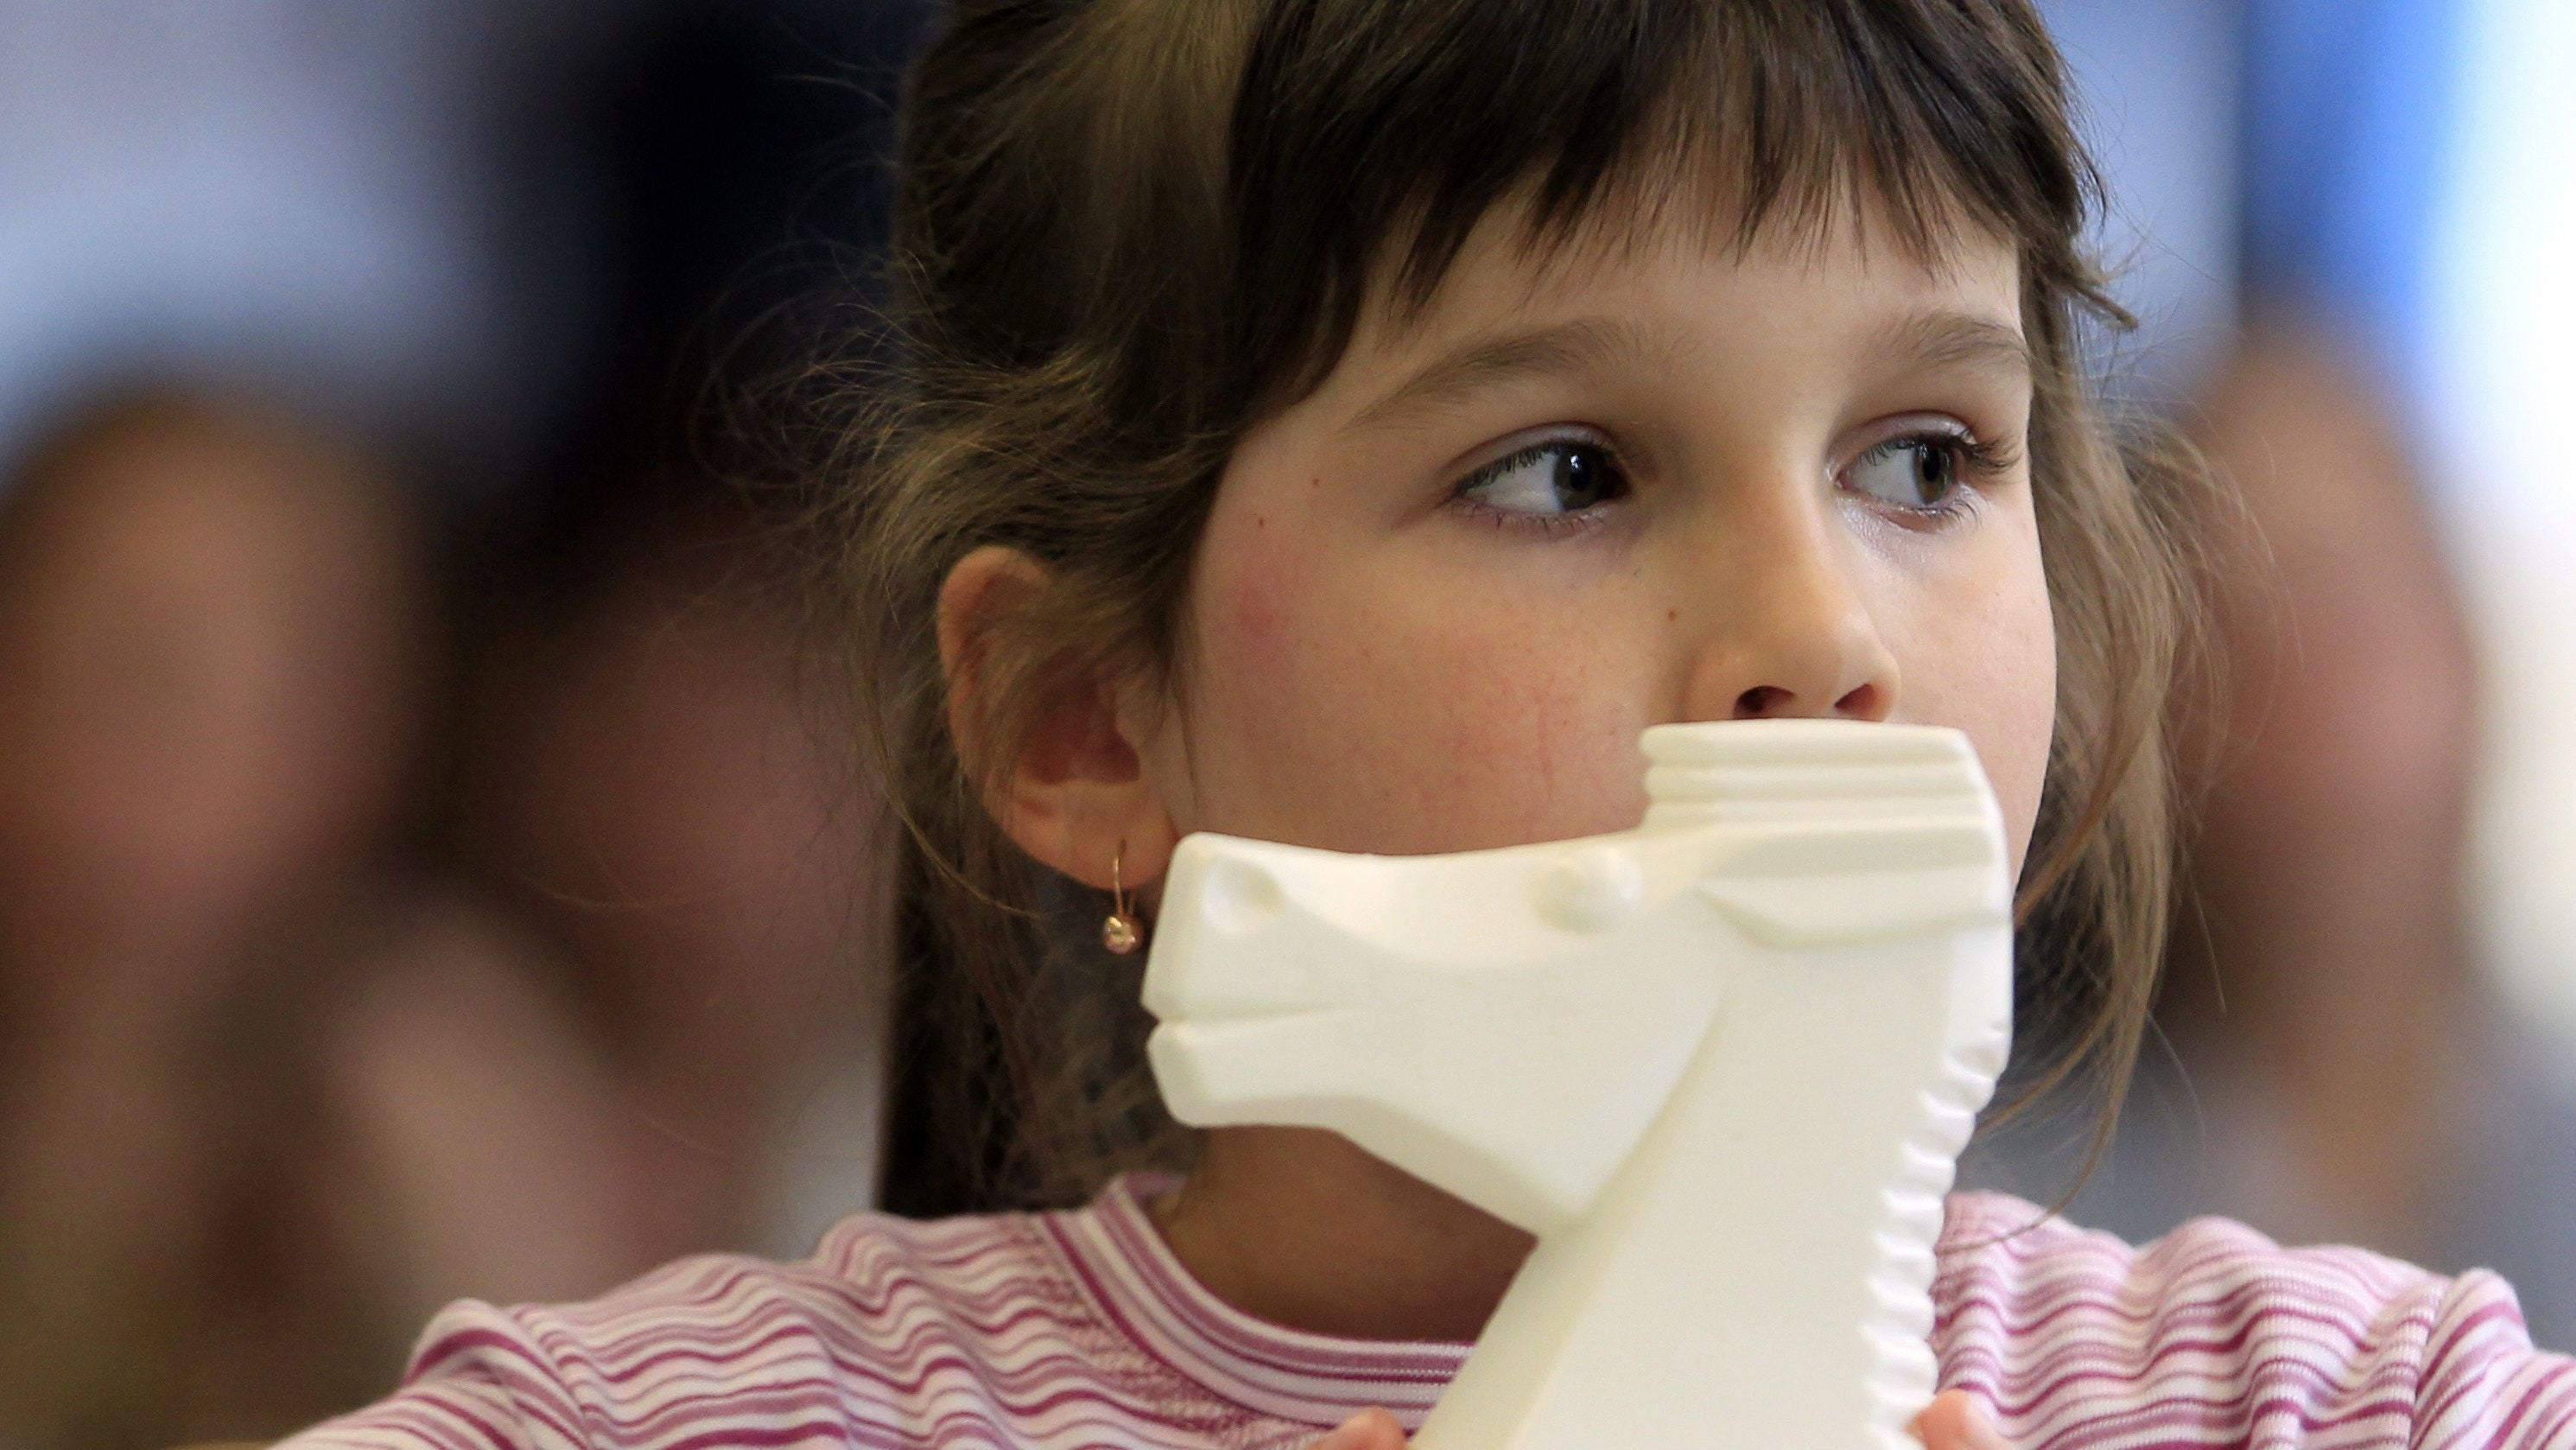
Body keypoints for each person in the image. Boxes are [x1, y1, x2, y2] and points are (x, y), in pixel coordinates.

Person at [276, 3, 2576, 1449]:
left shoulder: (2355, 1409)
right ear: (1086, 718)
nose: (1822, 637)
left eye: (1923, 459)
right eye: (1566, 471)